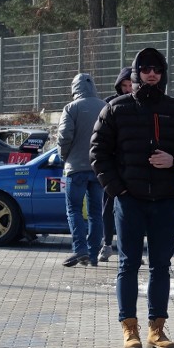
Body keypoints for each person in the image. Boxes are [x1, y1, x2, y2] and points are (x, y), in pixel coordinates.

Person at [90, 47, 174, 348]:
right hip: (129, 201)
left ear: (163, 73)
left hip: (166, 200)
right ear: (135, 72)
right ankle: (130, 329)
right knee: (127, 265)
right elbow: (98, 155)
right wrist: (119, 190)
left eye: (156, 68)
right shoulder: (116, 109)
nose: (151, 73)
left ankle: (157, 329)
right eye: (145, 68)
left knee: (160, 266)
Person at [58, 73, 107, 267]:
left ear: (74, 89)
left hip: (76, 168)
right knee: (96, 213)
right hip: (99, 168)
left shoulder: (71, 108)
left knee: (74, 210)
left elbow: (64, 137)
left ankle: (80, 250)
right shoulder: (105, 106)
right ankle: (93, 254)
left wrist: (65, 157)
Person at [98, 67, 133, 263]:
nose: (128, 89)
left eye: (130, 85)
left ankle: (130, 246)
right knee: (108, 206)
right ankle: (106, 244)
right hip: (112, 166)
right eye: (124, 85)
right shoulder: (109, 104)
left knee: (132, 210)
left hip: (133, 166)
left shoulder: (141, 103)